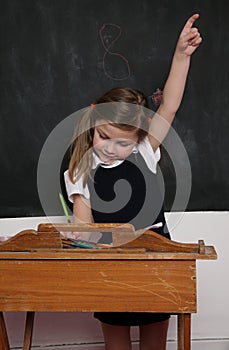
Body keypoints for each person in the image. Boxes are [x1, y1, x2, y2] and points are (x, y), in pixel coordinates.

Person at [64, 14, 202, 350]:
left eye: (123, 143)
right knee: (116, 344)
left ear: (138, 137)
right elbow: (85, 233)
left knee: (155, 342)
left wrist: (181, 56)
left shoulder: (145, 148)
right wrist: (79, 238)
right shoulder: (79, 172)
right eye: (104, 137)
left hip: (157, 256)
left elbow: (168, 106)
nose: (112, 149)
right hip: (112, 264)